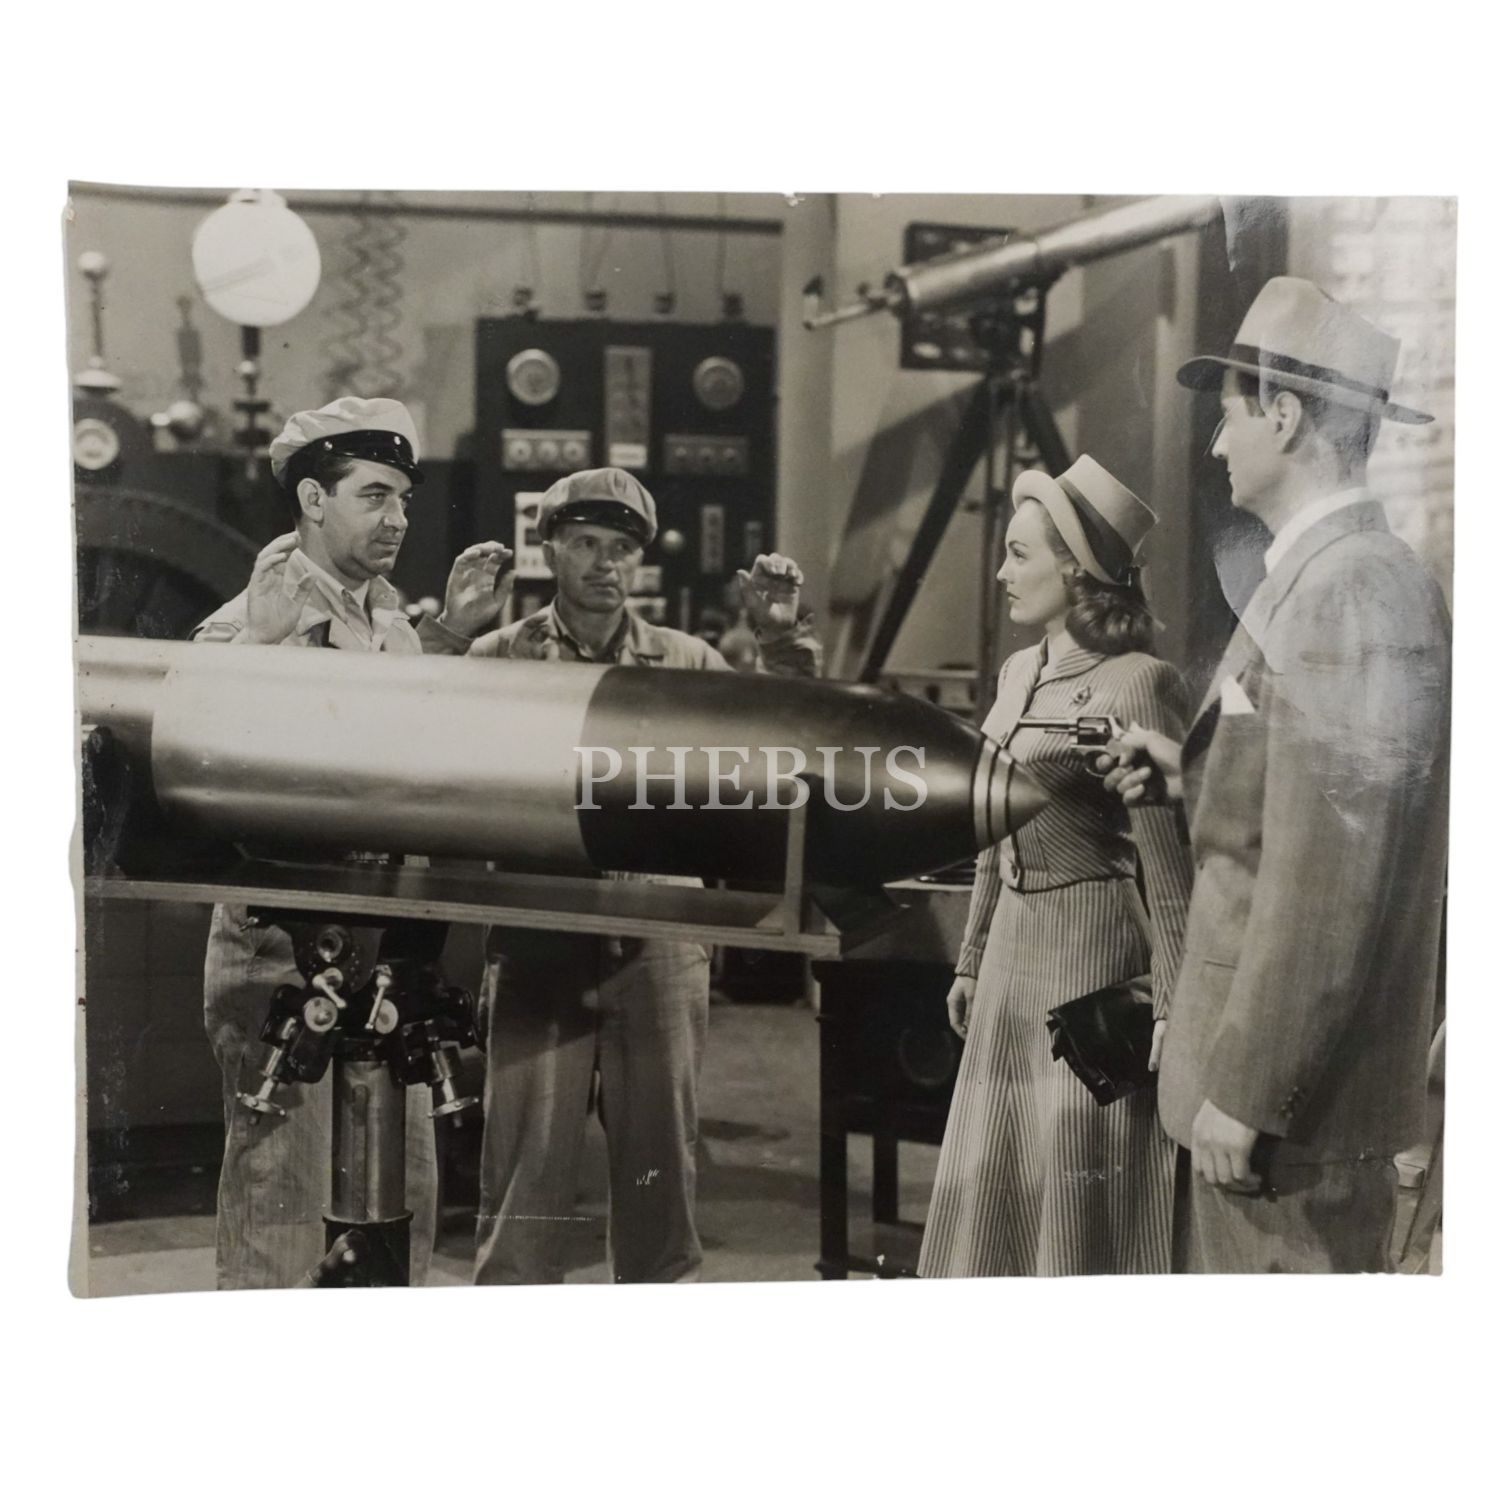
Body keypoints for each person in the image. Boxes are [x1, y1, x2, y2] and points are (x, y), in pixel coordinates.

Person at [1100, 277, 1451, 1273]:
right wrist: (1192, 772)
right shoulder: (1326, 578)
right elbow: (1305, 805)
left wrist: (1251, 1091)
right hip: (1276, 1106)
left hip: (1283, 1120)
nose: (1217, 445)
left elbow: (1329, 884)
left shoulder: (1349, 590)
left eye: (1230, 415)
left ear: (1286, 416)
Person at [427, 466, 821, 1283]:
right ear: (549, 551)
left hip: (659, 939)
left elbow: (784, 742)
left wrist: (781, 644)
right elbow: (415, 728)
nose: (605, 564)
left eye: (621, 548)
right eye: (585, 544)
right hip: (540, 935)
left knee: (659, 1176)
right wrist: (450, 634)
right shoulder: (501, 657)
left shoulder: (684, 662)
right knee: (524, 1178)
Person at [192, 396, 511, 1288]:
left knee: (393, 1204)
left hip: (386, 960)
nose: (398, 518)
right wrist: (260, 648)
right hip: (285, 962)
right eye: (374, 495)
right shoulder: (249, 620)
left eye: (404, 498)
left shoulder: (393, 625)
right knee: (283, 1220)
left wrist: (448, 634)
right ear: (312, 499)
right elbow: (197, 748)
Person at [919, 455, 1196, 1278]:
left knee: (1074, 1180)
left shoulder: (1138, 682)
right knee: (999, 1176)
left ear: (1076, 571)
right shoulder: (1017, 672)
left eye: (1018, 554)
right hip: (1011, 952)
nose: (1002, 573)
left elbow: (1168, 869)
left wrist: (1175, 1009)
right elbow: (990, 826)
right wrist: (972, 957)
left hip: (1090, 954)